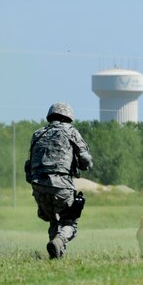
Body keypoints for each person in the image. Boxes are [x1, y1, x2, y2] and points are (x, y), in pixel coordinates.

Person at [27, 102, 93, 259]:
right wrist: (87, 163)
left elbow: (28, 165)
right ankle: (59, 241)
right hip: (61, 185)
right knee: (69, 222)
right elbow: (85, 159)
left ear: (51, 115)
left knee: (53, 221)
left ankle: (55, 255)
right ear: (69, 117)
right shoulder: (70, 131)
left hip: (38, 185)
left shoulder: (38, 134)